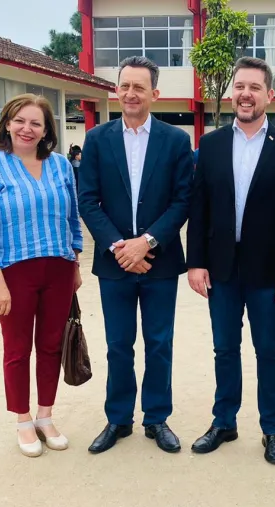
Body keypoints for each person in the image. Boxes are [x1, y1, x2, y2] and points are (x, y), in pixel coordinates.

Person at [186, 56, 275, 465]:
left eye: (255, 87)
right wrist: (195, 262)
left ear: (269, 96)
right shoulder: (212, 144)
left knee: (268, 351)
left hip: (268, 272)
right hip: (220, 269)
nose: (246, 94)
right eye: (240, 86)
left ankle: (272, 429)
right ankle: (225, 421)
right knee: (224, 348)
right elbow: (199, 206)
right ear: (230, 91)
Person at [78, 56, 193, 454]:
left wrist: (147, 241)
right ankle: (118, 418)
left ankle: (157, 417)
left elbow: (183, 201)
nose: (130, 93)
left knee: (159, 342)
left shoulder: (176, 141)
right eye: (124, 85)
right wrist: (119, 247)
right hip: (114, 264)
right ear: (118, 90)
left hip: (159, 263)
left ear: (154, 94)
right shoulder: (97, 139)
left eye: (138, 87)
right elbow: (88, 200)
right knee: (118, 344)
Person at [0, 93, 83, 458]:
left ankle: (45, 416)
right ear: (6, 124)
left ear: (47, 129)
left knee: (51, 345)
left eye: (36, 123)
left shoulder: (62, 166)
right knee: (17, 350)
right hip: (14, 272)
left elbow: (72, 219)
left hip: (59, 268)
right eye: (20, 121)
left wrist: (75, 263)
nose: (27, 129)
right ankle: (22, 419)